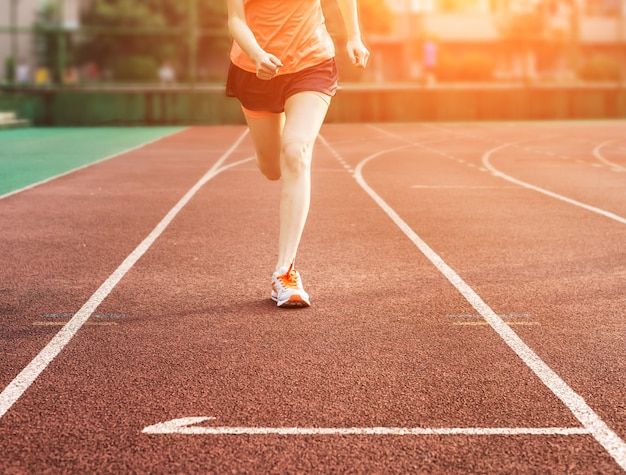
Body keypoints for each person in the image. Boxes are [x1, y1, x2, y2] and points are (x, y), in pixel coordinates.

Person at [226, 0, 370, 308]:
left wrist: (354, 36)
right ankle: (273, 154)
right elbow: (235, 19)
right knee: (272, 167)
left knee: (295, 150)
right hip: (255, 69)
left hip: (311, 64)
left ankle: (285, 273)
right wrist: (257, 54)